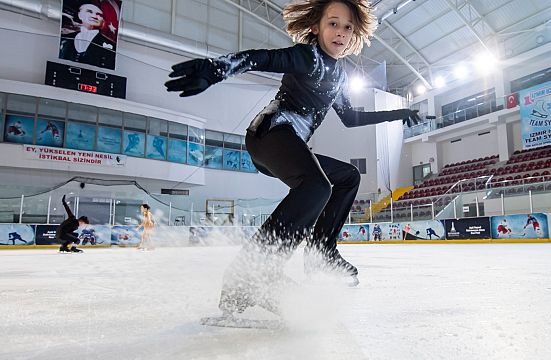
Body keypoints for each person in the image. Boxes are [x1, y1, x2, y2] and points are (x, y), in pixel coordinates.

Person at [165, 0, 421, 316]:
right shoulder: (307, 56)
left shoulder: (338, 75)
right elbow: (261, 58)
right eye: (333, 23)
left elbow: (351, 118)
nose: (340, 32)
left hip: (289, 145)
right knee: (317, 187)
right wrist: (216, 68)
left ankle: (320, 253)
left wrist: (398, 112)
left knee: (346, 178)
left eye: (348, 27)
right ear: (316, 26)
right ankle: (250, 274)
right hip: (269, 134)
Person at [59, 0, 116, 69]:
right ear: (80, 15)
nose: (94, 16)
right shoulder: (64, 39)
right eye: (89, 11)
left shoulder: (111, 46)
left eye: (99, 14)